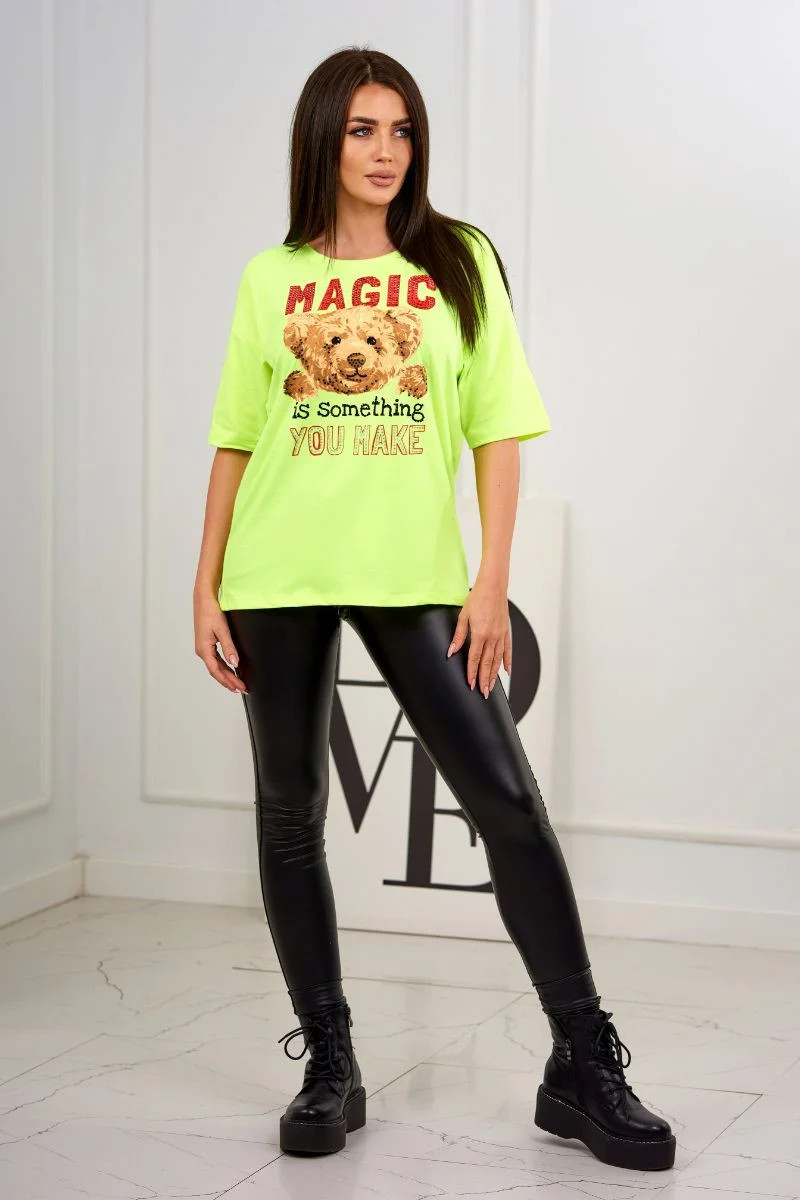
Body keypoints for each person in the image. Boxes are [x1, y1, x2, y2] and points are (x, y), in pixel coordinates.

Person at [193, 46, 675, 1172]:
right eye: (363, 129)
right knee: (288, 814)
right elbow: (236, 438)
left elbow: (495, 424)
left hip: (415, 573)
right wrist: (204, 583)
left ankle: (580, 1061)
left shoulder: (456, 259)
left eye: (402, 129)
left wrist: (490, 578)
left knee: (506, 802)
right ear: (323, 139)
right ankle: (329, 1058)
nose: (386, 151)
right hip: (275, 573)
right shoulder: (270, 278)